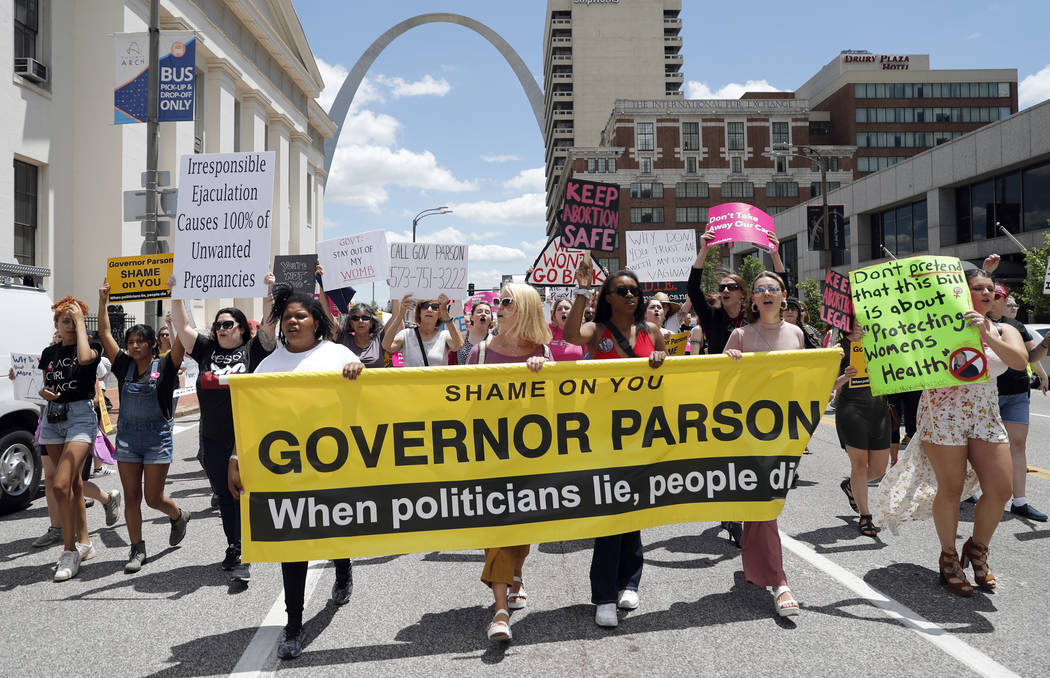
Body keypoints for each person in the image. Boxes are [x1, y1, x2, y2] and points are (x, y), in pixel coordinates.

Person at [872, 268, 1027, 596]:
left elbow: (1018, 361)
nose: (987, 294)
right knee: (952, 488)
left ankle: (977, 548)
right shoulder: (931, 328)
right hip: (943, 415)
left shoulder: (1002, 328)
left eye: (991, 289)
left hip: (984, 416)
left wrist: (988, 335)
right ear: (960, 292)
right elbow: (893, 347)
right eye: (978, 288)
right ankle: (949, 556)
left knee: (1001, 489)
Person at [228, 287, 364, 660]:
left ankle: (343, 568)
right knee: (294, 543)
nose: (292, 321)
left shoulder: (337, 355)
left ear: (316, 322)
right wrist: (236, 458)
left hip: (333, 465)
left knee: (335, 528)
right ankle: (293, 624)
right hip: (286, 471)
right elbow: (250, 417)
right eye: (287, 315)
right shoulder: (268, 366)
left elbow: (368, 399)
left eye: (301, 315)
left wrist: (359, 370)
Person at [564, 258, 666, 629]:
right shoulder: (597, 328)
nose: (629, 295)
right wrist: (580, 291)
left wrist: (660, 358)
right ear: (607, 296)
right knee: (610, 511)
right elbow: (570, 336)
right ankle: (604, 595)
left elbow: (665, 382)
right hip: (603, 433)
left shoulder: (653, 331)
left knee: (634, 510)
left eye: (634, 291)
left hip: (640, 434)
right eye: (620, 290)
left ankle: (630, 582)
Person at [169, 274, 276, 582]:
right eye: (217, 325)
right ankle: (234, 545)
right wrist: (176, 294)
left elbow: (269, 328)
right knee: (225, 496)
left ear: (242, 328)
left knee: (242, 492)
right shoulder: (205, 350)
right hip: (213, 436)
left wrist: (268, 292)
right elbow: (184, 327)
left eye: (227, 324)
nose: (221, 329)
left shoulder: (254, 350)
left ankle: (247, 548)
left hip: (245, 436)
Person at [688, 229, 787, 546]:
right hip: (725, 396)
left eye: (732, 286)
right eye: (722, 287)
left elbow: (788, 290)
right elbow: (691, 287)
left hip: (758, 394)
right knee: (730, 454)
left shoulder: (757, 316)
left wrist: (773, 253)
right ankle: (732, 512)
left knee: (754, 454)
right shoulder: (713, 317)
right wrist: (704, 250)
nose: (726, 290)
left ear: (745, 294)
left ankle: (751, 504)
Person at [466, 283, 553, 642]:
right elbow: (464, 406)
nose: (497, 307)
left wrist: (545, 373)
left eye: (506, 302)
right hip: (490, 457)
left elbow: (555, 410)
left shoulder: (544, 352)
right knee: (497, 528)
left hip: (530, 458)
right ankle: (500, 611)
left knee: (522, 528)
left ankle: (517, 573)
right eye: (497, 302)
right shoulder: (480, 352)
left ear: (527, 310)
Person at [723, 271, 803, 617]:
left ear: (783, 295)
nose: (767, 293)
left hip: (786, 432)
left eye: (773, 288)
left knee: (763, 507)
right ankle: (779, 582)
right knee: (766, 505)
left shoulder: (797, 334)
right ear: (752, 300)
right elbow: (720, 386)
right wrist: (731, 367)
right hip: (749, 433)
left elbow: (804, 382)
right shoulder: (740, 335)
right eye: (760, 289)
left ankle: (759, 566)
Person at [98, 279, 189, 572]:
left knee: (152, 498)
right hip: (127, 442)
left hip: (156, 441)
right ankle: (137, 550)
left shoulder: (165, 365)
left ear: (152, 344)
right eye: (130, 342)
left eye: (140, 341)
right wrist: (103, 300)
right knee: (132, 498)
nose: (134, 346)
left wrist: (179, 298)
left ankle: (177, 515)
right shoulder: (123, 365)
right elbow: (103, 332)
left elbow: (183, 341)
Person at [36, 296, 102, 581]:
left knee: (61, 484)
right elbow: (44, 386)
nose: (71, 326)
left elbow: (86, 359)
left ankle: (69, 550)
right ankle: (84, 543)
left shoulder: (90, 347)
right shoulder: (48, 353)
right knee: (72, 483)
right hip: (53, 418)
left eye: (75, 321)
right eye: (66, 321)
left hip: (80, 417)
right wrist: (41, 392)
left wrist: (79, 322)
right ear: (56, 325)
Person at [984, 280, 1048, 522]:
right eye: (993, 295)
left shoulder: (1016, 326)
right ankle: (965, 493)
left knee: (1018, 445)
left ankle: (1019, 502)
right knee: (984, 449)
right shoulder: (979, 324)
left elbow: (1032, 356)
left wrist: (1045, 344)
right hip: (988, 394)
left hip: (1018, 393)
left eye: (1000, 296)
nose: (996, 300)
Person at [832, 320, 890, 537]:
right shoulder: (838, 348)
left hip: (879, 409)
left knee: (878, 470)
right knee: (859, 464)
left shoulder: (882, 342)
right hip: (851, 409)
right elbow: (828, 384)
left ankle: (851, 487)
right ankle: (866, 516)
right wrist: (844, 377)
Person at [382, 294, 464, 367]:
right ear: (419, 312)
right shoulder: (406, 334)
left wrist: (446, 314)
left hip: (436, 384)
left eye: (435, 307)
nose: (429, 309)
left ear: (439, 314)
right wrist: (400, 315)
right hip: (412, 384)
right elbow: (387, 346)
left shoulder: (444, 335)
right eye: (425, 306)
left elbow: (458, 345)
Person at [546, 297, 585, 362]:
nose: (563, 311)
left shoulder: (582, 333)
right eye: (559, 309)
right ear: (554, 316)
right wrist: (547, 305)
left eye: (567, 308)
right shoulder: (548, 332)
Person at [459, 299, 494, 364]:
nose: (483, 314)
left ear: (491, 319)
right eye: (479, 311)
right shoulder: (461, 337)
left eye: (487, 312)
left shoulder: (494, 340)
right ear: (472, 317)